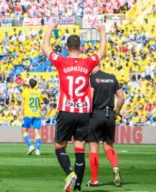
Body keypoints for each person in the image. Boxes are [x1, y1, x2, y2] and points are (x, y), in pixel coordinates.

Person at [42, 24, 106, 192]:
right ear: (81, 47)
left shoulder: (62, 61)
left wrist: (49, 29)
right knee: (80, 150)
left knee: (59, 146)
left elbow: (45, 47)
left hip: (66, 110)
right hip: (83, 112)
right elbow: (102, 52)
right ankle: (77, 187)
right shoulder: (87, 63)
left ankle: (69, 173)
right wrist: (102, 32)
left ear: (66, 48)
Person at [86, 63, 125, 188]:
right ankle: (115, 166)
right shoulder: (112, 77)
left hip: (97, 114)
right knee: (108, 145)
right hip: (110, 114)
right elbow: (121, 97)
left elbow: (90, 98)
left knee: (93, 148)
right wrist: (117, 111)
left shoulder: (92, 79)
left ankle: (94, 180)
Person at [20, 78, 42, 156]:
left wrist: (21, 114)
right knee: (37, 132)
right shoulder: (38, 93)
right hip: (37, 114)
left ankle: (31, 146)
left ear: (29, 84)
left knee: (24, 131)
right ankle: (38, 150)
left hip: (28, 114)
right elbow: (40, 105)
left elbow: (22, 104)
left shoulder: (25, 92)